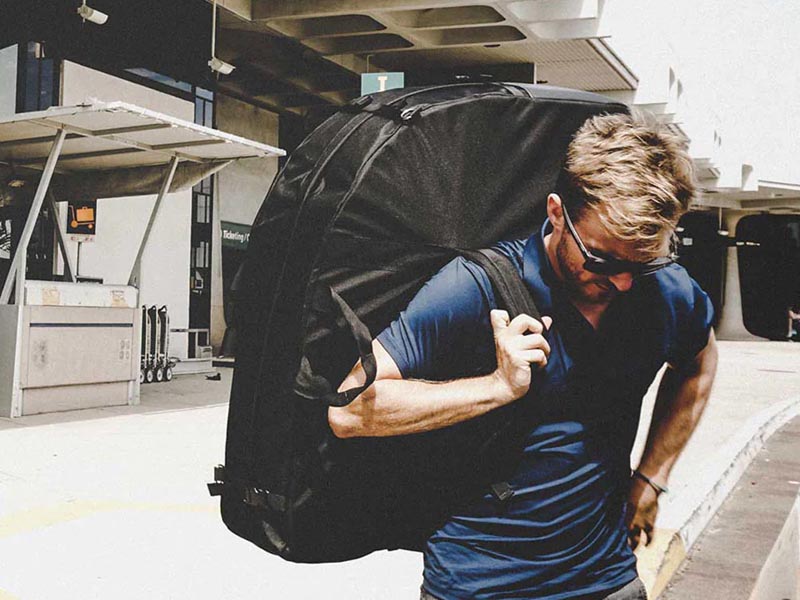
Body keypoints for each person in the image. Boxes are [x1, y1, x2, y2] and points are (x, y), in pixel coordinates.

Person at [329, 112, 719, 600]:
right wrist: (495, 387)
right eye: (602, 260)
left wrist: (652, 477)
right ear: (557, 212)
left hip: (608, 579)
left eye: (643, 262)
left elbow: (699, 361)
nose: (621, 282)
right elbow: (349, 409)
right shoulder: (474, 287)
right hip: (479, 583)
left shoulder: (665, 292)